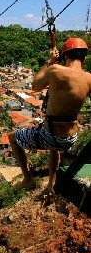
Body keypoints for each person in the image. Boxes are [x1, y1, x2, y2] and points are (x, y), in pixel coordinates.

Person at [8, 37, 90, 193]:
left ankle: (27, 178)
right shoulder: (89, 78)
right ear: (84, 58)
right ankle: (51, 183)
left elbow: (35, 86)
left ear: (65, 56)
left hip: (50, 135)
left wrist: (50, 61)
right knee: (55, 147)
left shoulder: (55, 70)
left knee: (12, 137)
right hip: (71, 138)